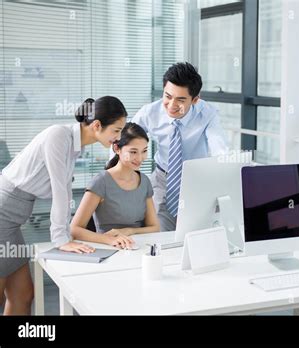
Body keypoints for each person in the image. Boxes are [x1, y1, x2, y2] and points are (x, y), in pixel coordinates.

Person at [0, 96, 127, 315]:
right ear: (97, 125)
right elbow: (60, 191)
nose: (118, 138)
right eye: (116, 131)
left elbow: (62, 190)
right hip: (3, 213)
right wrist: (61, 239)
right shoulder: (59, 136)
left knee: (23, 294)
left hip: (12, 219)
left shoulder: (73, 145)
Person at [131, 62, 228, 231]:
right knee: (159, 233)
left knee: (196, 233)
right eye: (168, 96)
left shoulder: (208, 114)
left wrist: (222, 172)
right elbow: (125, 139)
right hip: (163, 180)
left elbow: (218, 146)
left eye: (181, 100)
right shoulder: (150, 113)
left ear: (195, 100)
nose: (172, 105)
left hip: (197, 180)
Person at [71, 123, 160, 248]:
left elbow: (155, 227)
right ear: (117, 148)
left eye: (144, 151)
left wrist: (129, 231)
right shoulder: (101, 182)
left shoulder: (144, 181)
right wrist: (108, 240)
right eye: (133, 152)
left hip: (138, 247)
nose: (140, 158)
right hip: (109, 249)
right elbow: (74, 229)